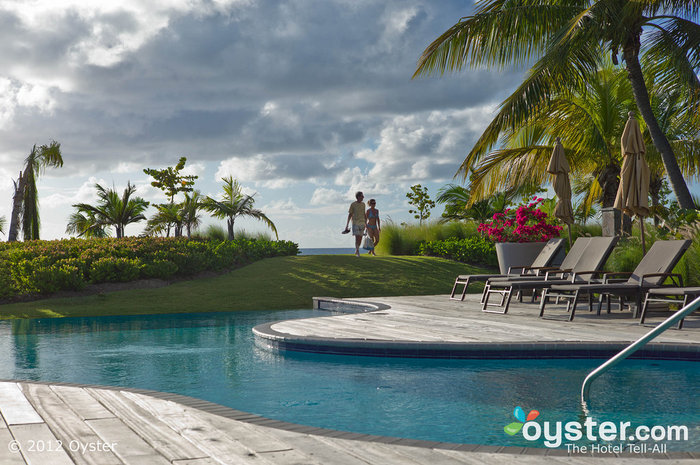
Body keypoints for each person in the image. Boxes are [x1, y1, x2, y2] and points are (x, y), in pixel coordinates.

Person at [344, 191, 366, 257]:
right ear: (358, 197)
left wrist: (366, 223)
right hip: (355, 223)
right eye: (362, 196)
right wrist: (347, 225)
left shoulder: (363, 204)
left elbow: (364, 213)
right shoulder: (353, 204)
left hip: (362, 223)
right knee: (357, 237)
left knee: (360, 238)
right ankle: (357, 251)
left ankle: (357, 249)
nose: (363, 197)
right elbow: (350, 214)